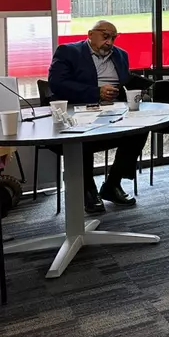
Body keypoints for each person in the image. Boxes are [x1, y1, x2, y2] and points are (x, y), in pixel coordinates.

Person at [48, 20, 150, 214]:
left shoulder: (121, 55)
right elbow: (57, 84)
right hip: (79, 111)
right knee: (83, 136)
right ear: (90, 34)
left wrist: (138, 90)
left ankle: (113, 184)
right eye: (105, 36)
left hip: (113, 111)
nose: (109, 42)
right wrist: (96, 92)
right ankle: (88, 190)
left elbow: (125, 82)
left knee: (140, 129)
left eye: (113, 38)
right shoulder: (68, 52)